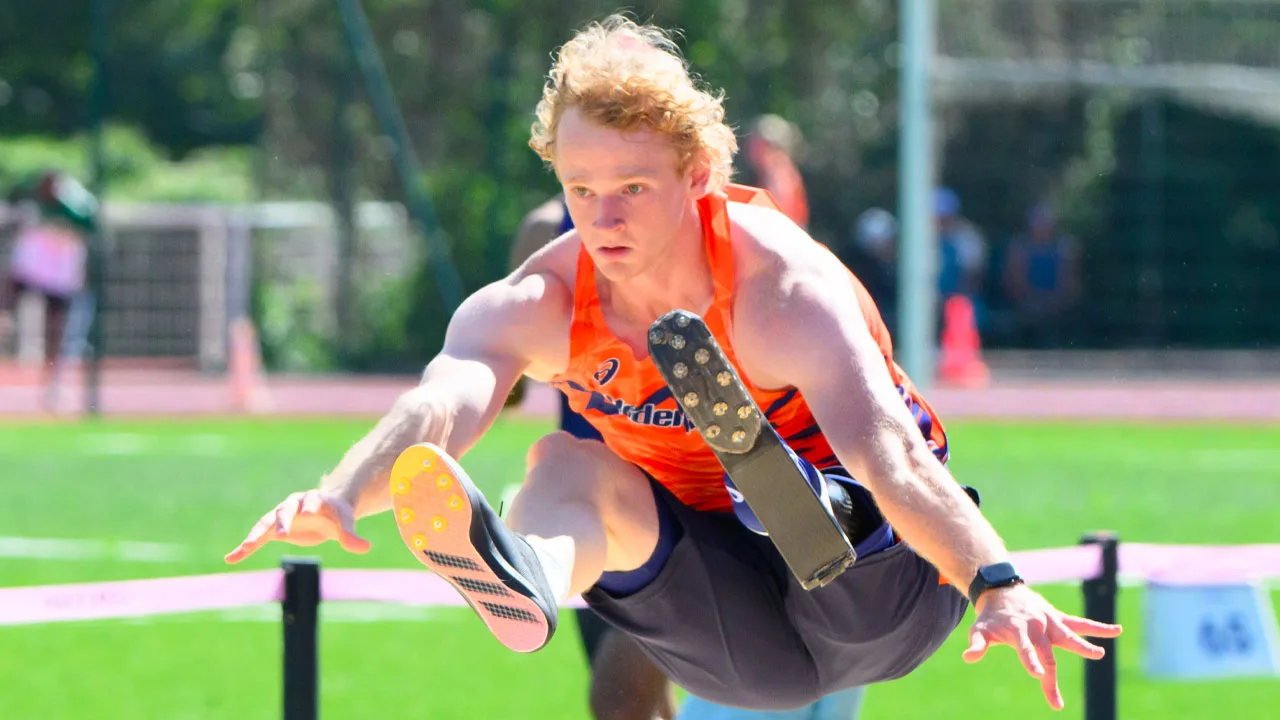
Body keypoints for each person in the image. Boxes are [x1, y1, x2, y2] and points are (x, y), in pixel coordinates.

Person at [226, 15, 1121, 713]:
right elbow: (444, 400)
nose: (601, 220)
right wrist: (342, 494)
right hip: (736, 641)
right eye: (580, 191)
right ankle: (535, 566)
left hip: (884, 600)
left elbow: (895, 458)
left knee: (826, 491)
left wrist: (996, 580)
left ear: (697, 173)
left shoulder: (780, 290)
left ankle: (795, 502)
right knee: (564, 462)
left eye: (631, 189)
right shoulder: (540, 300)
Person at [511, 197, 864, 720]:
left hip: (683, 506)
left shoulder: (708, 224)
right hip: (590, 505)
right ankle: (531, 559)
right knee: (633, 703)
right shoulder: (543, 231)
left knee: (618, 697)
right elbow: (515, 379)